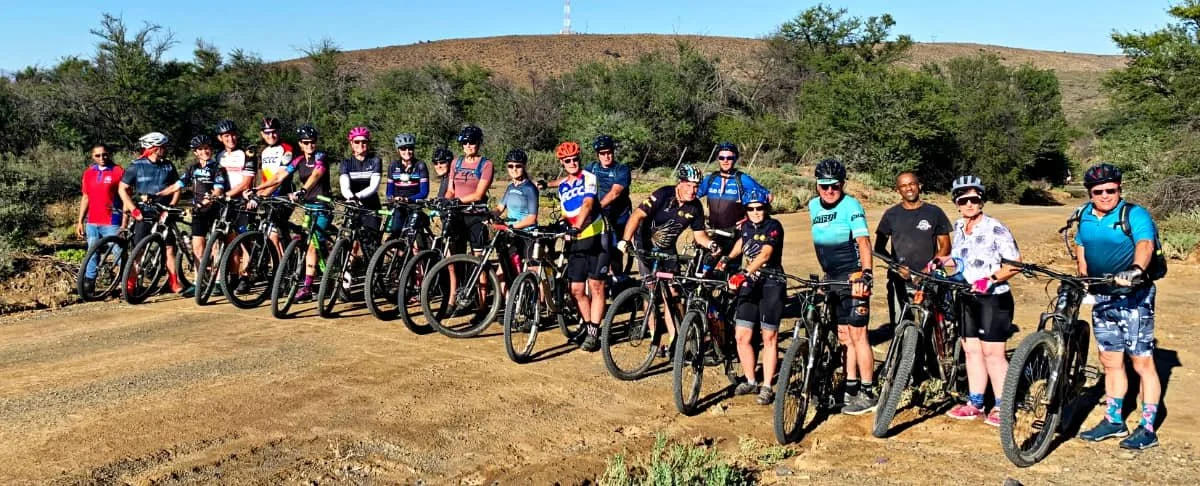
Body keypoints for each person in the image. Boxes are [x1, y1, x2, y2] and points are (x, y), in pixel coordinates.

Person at [1075, 163, 1163, 450]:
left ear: (1119, 189)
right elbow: (1081, 243)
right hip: (1103, 295)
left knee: (1141, 362)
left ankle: (1147, 427)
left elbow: (1145, 244)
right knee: (1110, 361)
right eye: (1098, 191)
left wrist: (1135, 269)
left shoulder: (1134, 214)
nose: (1104, 196)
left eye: (1110, 190)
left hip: (1134, 296)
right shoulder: (1085, 215)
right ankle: (1114, 420)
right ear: (1090, 193)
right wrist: (1083, 274)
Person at [942, 175, 1021, 426]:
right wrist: (940, 262)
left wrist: (990, 279)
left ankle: (1002, 406)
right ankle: (975, 403)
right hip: (967, 296)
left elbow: (1015, 264)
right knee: (971, 350)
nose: (969, 204)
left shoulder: (995, 227)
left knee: (993, 353)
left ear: (981, 201)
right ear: (956, 202)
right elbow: (958, 261)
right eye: (963, 200)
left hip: (993, 299)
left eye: (974, 199)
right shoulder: (958, 227)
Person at [617, 164, 721, 356]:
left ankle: (678, 338)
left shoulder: (695, 206)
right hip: (645, 248)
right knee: (650, 291)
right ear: (680, 183)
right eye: (689, 185)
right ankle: (654, 337)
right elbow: (637, 215)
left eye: (697, 186)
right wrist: (625, 240)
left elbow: (700, 236)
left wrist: (711, 245)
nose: (693, 190)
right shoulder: (663, 194)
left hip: (668, 251)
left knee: (672, 294)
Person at [807, 158, 875, 415]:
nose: (829, 191)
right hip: (831, 277)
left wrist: (866, 275)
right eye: (823, 186)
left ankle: (867, 392)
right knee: (844, 336)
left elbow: (863, 243)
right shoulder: (813, 206)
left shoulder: (851, 205)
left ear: (842, 184)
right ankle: (849, 386)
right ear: (816, 186)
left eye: (834, 186)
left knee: (859, 336)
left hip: (853, 277)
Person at [721, 189, 784, 405]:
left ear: (766, 208)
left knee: (769, 337)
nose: (756, 212)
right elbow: (743, 241)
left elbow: (765, 253)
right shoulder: (746, 226)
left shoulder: (774, 226)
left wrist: (745, 273)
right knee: (742, 335)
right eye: (751, 208)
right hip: (749, 284)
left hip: (771, 283)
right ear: (746, 210)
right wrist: (726, 259)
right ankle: (750, 380)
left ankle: (767, 386)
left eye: (760, 208)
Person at [874, 172, 952, 327]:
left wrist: (928, 270)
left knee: (935, 325)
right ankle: (907, 350)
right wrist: (896, 266)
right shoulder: (891, 214)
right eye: (903, 185)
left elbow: (946, 246)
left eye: (912, 184)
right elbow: (879, 248)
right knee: (902, 325)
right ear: (897, 190)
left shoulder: (934, 212)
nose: (908, 188)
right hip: (900, 280)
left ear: (919, 186)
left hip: (931, 278)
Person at [157, 135, 228, 298]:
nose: (205, 151)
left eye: (207, 148)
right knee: (197, 247)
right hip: (198, 211)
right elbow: (177, 185)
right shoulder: (192, 168)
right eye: (201, 149)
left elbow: (218, 189)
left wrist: (206, 201)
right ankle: (198, 281)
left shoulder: (218, 167)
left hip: (215, 209)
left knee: (216, 245)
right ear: (196, 152)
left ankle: (217, 282)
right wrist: (157, 195)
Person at [556, 141, 609, 351]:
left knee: (596, 286)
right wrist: (562, 223)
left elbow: (587, 203)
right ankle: (588, 327)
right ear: (562, 162)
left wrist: (577, 226)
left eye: (575, 159)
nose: (572, 163)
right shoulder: (562, 186)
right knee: (576, 289)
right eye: (567, 160)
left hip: (597, 236)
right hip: (576, 240)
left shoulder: (589, 177)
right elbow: (565, 211)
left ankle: (594, 331)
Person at [118, 132, 184, 294]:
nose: (166, 149)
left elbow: (177, 187)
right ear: (154, 149)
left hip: (165, 214)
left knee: (169, 249)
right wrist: (133, 209)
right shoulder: (136, 166)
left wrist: (172, 206)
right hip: (144, 213)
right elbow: (122, 189)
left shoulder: (168, 165)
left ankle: (174, 281)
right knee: (138, 250)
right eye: (163, 147)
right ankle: (130, 284)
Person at [272, 124, 333, 301]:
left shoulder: (321, 157)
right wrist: (257, 189)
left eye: (312, 142)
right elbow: (279, 177)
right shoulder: (298, 160)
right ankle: (319, 271)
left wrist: (302, 191)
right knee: (307, 241)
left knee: (313, 245)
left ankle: (307, 286)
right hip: (308, 207)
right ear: (300, 144)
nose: (309, 145)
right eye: (306, 142)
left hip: (322, 207)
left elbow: (316, 174)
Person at [698, 142, 772, 255]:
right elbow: (693, 195)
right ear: (717, 159)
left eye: (729, 157)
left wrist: (749, 218)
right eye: (721, 157)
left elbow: (768, 196)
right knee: (706, 266)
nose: (725, 161)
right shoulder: (711, 178)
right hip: (712, 231)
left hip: (734, 233)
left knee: (729, 267)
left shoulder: (742, 179)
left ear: (735, 159)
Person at [214, 119, 258, 293]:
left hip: (242, 201)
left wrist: (228, 195)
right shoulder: (219, 156)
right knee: (228, 240)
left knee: (245, 240)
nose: (231, 138)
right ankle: (232, 275)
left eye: (233, 135)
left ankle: (246, 277)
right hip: (225, 203)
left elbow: (247, 182)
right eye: (226, 136)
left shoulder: (247, 154)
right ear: (220, 138)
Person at [338, 126, 384, 288]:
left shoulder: (375, 161)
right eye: (357, 142)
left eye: (364, 142)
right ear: (351, 144)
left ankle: (375, 281)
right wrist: (350, 197)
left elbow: (374, 186)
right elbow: (344, 185)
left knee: (371, 245)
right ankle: (346, 280)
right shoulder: (346, 163)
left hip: (370, 207)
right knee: (350, 242)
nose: (361, 145)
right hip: (352, 205)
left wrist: (357, 197)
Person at [77, 144, 125, 295]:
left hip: (112, 220)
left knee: (118, 252)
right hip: (93, 221)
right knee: (92, 252)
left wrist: (124, 223)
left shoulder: (118, 171)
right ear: (92, 156)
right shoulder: (89, 173)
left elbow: (126, 198)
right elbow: (85, 197)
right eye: (97, 155)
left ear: (109, 154)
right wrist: (80, 221)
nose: (102, 158)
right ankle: (89, 284)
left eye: (104, 154)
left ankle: (127, 283)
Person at [584, 135, 632, 281]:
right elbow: (574, 179)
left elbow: (614, 192)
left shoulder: (621, 169)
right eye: (602, 153)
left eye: (609, 152)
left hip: (619, 216)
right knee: (597, 247)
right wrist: (548, 184)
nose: (606, 156)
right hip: (600, 215)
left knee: (615, 251)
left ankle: (619, 280)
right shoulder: (592, 168)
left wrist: (596, 207)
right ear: (598, 155)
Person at [443, 125, 494, 254]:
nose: (468, 145)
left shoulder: (486, 164)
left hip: (476, 215)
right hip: (457, 215)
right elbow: (451, 190)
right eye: (464, 142)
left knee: (478, 259)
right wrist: (445, 201)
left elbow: (478, 195)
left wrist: (456, 201)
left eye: (472, 142)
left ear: (478, 143)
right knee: (454, 256)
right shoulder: (456, 162)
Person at [253, 117, 295, 254]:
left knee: (276, 232)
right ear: (262, 134)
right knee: (269, 232)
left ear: (279, 131)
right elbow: (265, 177)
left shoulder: (287, 149)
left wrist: (262, 194)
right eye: (267, 132)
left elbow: (279, 178)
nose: (271, 135)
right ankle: (281, 265)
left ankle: (284, 266)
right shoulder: (264, 152)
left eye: (274, 132)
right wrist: (258, 192)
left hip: (283, 195)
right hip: (268, 197)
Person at [384, 133, 430, 239]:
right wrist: (391, 198)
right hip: (399, 206)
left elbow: (424, 192)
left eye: (410, 148)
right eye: (403, 149)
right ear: (398, 150)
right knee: (396, 233)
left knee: (412, 238)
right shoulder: (393, 166)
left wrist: (407, 199)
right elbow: (389, 191)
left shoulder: (420, 165)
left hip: (414, 206)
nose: (407, 152)